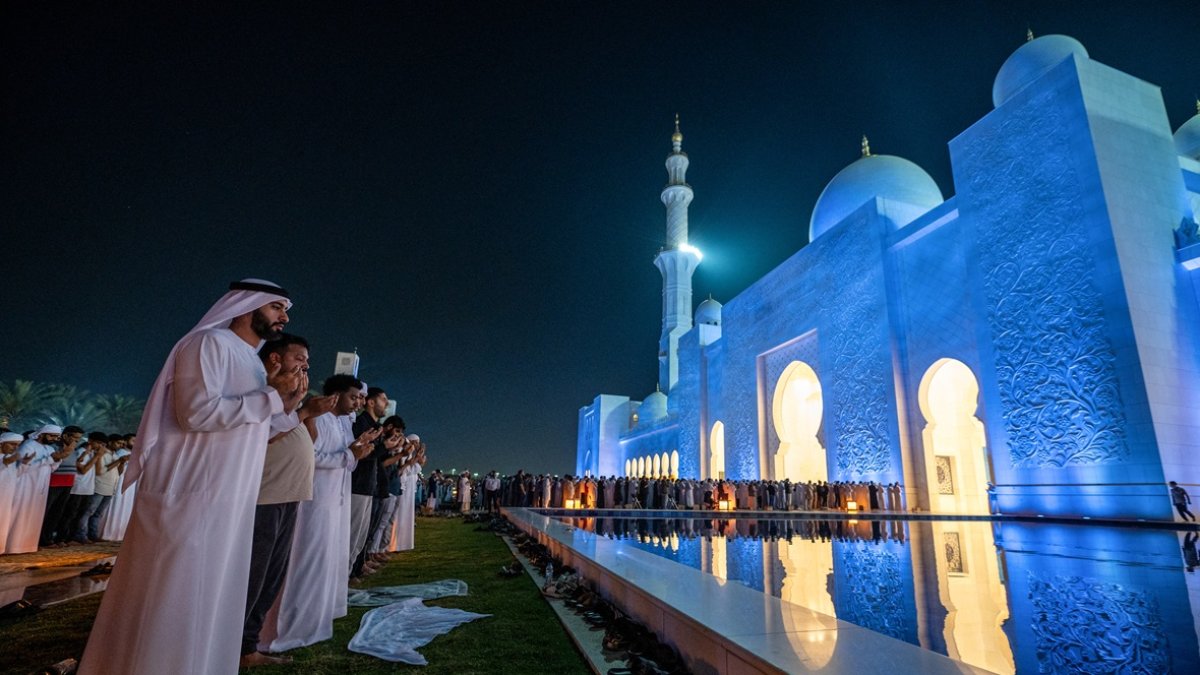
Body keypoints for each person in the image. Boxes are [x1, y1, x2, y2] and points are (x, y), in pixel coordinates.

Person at [79, 279, 306, 675]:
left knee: (210, 596)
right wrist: (271, 398)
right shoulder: (208, 345)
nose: (283, 317)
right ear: (244, 305)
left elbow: (252, 426)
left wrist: (289, 403)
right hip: (191, 494)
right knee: (174, 595)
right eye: (275, 307)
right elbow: (197, 413)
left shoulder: (252, 361)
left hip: (227, 497)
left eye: (285, 310)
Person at [259, 375, 380, 653]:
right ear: (335, 396)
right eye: (353, 397)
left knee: (328, 557)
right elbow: (312, 456)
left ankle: (318, 615)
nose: (357, 403)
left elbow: (346, 457)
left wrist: (357, 449)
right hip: (315, 499)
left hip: (335, 498)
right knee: (308, 557)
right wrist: (350, 456)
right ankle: (294, 622)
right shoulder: (321, 419)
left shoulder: (340, 423)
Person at [240, 334, 337, 668]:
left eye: (307, 361)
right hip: (264, 496)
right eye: (300, 358)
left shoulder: (288, 399)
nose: (306, 366)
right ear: (275, 359)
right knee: (253, 577)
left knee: (270, 578)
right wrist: (302, 408)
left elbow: (308, 438)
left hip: (289, 495)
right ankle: (238, 647)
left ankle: (248, 644)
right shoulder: (256, 393)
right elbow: (260, 436)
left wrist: (302, 408)